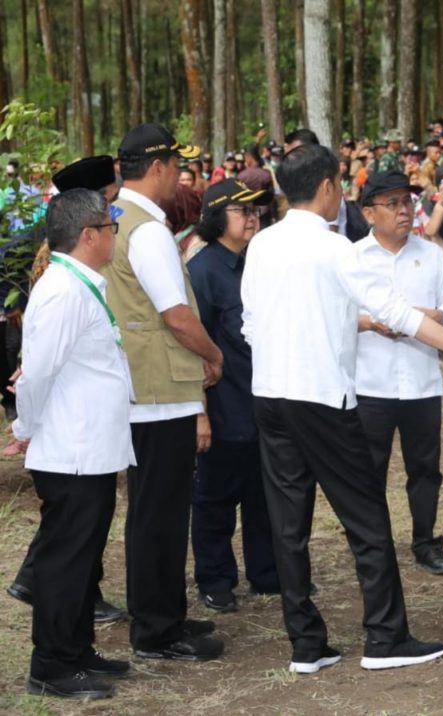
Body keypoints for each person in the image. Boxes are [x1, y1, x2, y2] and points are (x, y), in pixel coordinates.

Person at [240, 143, 443, 673]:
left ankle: (306, 644)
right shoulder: (336, 249)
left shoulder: (262, 245)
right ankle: (385, 637)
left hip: (269, 395)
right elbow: (397, 314)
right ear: (329, 187)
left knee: (288, 523)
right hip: (320, 398)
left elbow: (249, 325)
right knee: (367, 518)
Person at [104, 123, 226, 662]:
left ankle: (165, 612)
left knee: (156, 510)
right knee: (160, 513)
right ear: (156, 168)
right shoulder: (149, 230)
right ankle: (156, 629)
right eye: (176, 166)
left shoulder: (115, 216)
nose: (180, 176)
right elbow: (176, 316)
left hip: (144, 385)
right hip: (161, 389)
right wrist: (213, 354)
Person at [8, 188, 134, 699]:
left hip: (91, 447)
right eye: (110, 227)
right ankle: (52, 665)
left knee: (84, 558)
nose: (113, 236)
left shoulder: (80, 284)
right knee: (65, 560)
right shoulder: (63, 290)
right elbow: (36, 374)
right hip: (71, 449)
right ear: (89, 235)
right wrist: (26, 427)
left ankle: (77, 650)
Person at [355, 171, 443, 576]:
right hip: (370, 383)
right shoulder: (353, 259)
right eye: (393, 204)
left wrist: (430, 317)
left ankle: (425, 542)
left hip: (420, 381)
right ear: (369, 212)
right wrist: (369, 322)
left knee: (424, 468)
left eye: (408, 202)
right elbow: (336, 316)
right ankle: (373, 546)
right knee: (369, 471)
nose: (404, 211)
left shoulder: (430, 253)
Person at [188, 180, 279, 613]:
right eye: (241, 211)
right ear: (215, 217)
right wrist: (200, 414)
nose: (251, 216)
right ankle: (216, 578)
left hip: (261, 399)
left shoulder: (256, 263)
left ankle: (266, 573)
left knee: (263, 494)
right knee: (215, 499)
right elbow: (193, 347)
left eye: (255, 210)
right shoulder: (203, 271)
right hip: (223, 403)